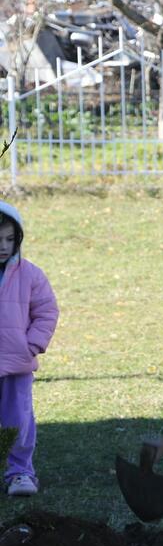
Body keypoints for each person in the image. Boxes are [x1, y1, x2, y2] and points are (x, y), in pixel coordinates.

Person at [0, 202, 59, 497]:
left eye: (10, 239)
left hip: (17, 365)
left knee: (17, 420)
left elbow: (46, 312)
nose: (3, 246)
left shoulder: (31, 275)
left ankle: (20, 472)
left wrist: (32, 344)